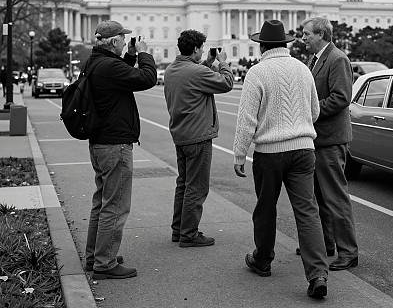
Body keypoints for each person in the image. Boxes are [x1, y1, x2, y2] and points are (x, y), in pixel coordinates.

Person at [233, 20, 329, 300]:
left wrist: (240, 154)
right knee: (308, 212)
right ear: (285, 44)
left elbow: (246, 119)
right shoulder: (303, 69)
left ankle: (262, 260)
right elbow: (314, 111)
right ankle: (318, 274)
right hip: (303, 150)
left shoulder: (257, 72)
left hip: (269, 152)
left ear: (262, 45)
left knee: (265, 209)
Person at [85, 20, 156, 280]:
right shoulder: (108, 66)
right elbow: (146, 79)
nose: (125, 42)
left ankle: (96, 255)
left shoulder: (96, 62)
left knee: (101, 202)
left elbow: (120, 74)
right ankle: (105, 263)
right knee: (115, 205)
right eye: (123, 40)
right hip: (115, 144)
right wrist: (146, 55)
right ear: (113, 41)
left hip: (100, 141)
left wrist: (130, 57)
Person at [164, 29, 233, 247]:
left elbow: (193, 74)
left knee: (183, 184)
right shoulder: (195, 72)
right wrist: (222, 63)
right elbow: (226, 83)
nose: (203, 51)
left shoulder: (172, 69)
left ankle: (179, 229)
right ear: (195, 49)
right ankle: (189, 234)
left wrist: (207, 62)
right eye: (201, 48)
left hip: (181, 135)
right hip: (198, 136)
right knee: (197, 187)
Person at [301, 17, 358, 272]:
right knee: (319, 196)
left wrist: (310, 110)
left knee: (335, 197)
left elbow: (341, 98)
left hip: (331, 139)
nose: (303, 38)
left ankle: (348, 252)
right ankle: (326, 243)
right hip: (318, 138)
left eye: (307, 34)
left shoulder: (337, 59)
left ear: (321, 34)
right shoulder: (315, 59)